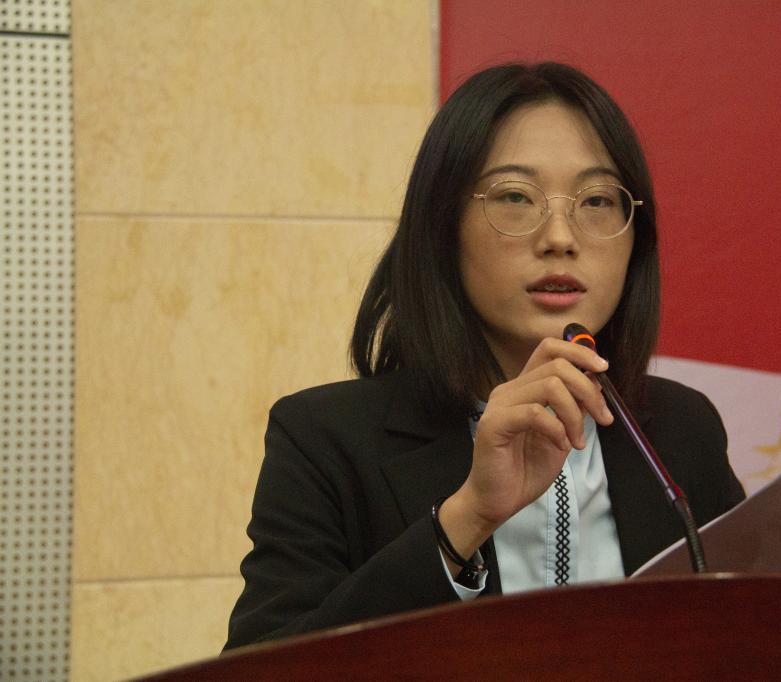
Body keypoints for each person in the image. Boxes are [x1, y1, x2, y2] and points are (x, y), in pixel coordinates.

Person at [224, 62, 744, 650]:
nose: (560, 237)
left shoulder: (681, 431)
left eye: (597, 200)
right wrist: (467, 517)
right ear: (443, 226)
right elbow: (260, 668)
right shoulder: (325, 439)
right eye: (516, 197)